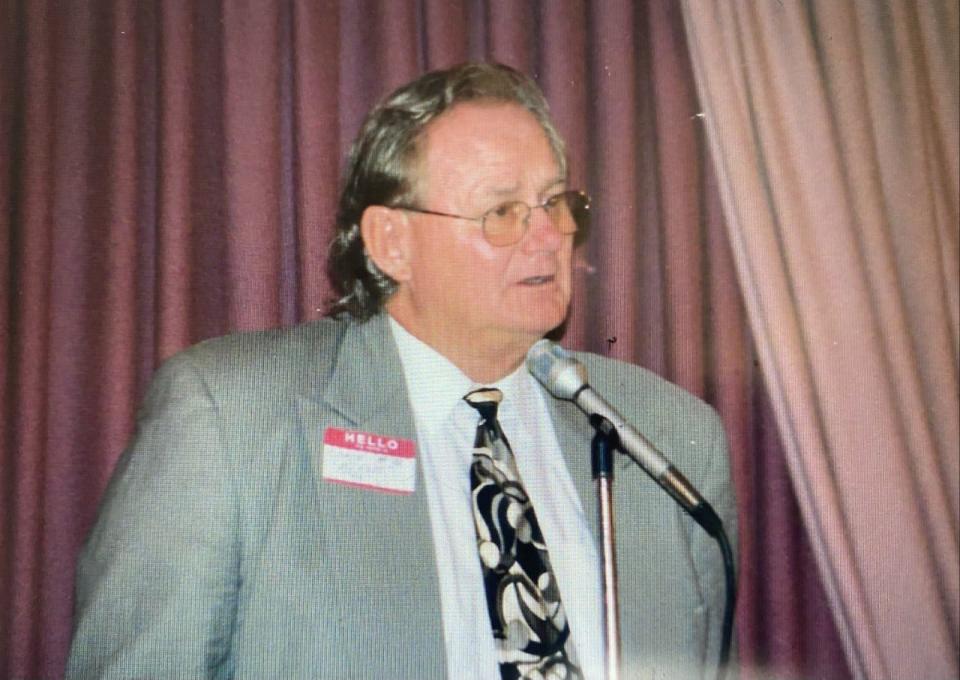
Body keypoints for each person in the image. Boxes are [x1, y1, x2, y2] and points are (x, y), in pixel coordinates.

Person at [67, 62, 736, 679]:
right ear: (393, 242)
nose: (549, 236)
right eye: (502, 211)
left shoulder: (667, 436)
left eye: (556, 203)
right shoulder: (229, 415)